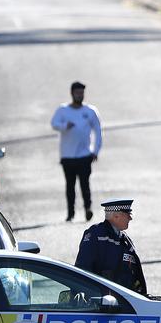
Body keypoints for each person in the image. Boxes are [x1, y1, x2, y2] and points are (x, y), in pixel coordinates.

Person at [50, 81, 103, 221]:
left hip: (84, 154)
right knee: (70, 186)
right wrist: (65, 125)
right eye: (77, 92)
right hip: (67, 155)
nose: (80, 95)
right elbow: (54, 124)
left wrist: (96, 150)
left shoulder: (90, 111)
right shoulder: (63, 110)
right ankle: (71, 213)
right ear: (72, 93)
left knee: (85, 183)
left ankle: (88, 208)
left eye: (82, 93)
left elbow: (98, 131)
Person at [74, 199, 147, 295]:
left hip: (125, 301)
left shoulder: (126, 240)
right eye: (127, 214)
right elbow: (83, 268)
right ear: (116, 216)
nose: (130, 218)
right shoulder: (95, 234)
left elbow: (136, 276)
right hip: (102, 302)